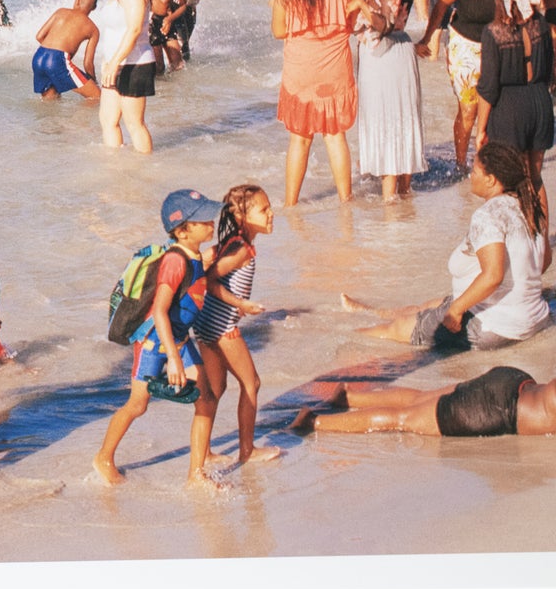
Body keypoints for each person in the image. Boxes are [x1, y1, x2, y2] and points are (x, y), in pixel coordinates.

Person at [343, 141, 549, 351]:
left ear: (491, 180)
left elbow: (493, 276)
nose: (470, 175)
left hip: (495, 326)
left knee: (394, 330)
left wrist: (456, 310)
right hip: (533, 316)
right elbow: (544, 262)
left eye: (475, 170)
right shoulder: (529, 207)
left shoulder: (488, 215)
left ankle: (342, 341)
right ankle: (372, 311)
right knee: (429, 305)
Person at [94, 189, 221, 487]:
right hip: (154, 342)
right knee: (138, 404)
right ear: (182, 230)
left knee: (206, 399)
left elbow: (196, 275)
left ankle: (197, 472)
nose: (210, 222)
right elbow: (161, 311)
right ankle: (103, 457)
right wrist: (174, 361)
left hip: (178, 338)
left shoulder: (193, 255)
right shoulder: (175, 262)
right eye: (203, 219)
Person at [190, 184, 278, 474]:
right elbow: (209, 279)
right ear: (242, 217)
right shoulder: (241, 249)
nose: (271, 213)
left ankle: (204, 454)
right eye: (263, 210)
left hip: (204, 326)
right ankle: (247, 451)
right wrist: (240, 302)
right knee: (251, 384)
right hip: (222, 327)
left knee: (215, 390)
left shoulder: (233, 241)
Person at [272, 0, 361, 206]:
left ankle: (290, 204)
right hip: (335, 68)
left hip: (301, 69)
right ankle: (346, 201)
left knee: (300, 139)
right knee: (335, 136)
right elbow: (353, 18)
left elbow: (278, 31)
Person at [472, 0, 553, 204]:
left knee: (509, 184)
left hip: (510, 107)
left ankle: (517, 244)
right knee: (535, 177)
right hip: (540, 100)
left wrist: (481, 128)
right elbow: (549, 70)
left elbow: (489, 87)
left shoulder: (495, 31)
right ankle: (542, 245)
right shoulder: (541, 25)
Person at [348, 0, 426, 200]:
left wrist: (361, 4)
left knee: (387, 120)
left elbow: (385, 24)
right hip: (400, 50)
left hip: (384, 56)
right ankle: (404, 193)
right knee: (401, 120)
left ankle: (389, 201)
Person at [293, 367, 556, 438]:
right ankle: (313, 422)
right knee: (403, 419)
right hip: (494, 408)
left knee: (421, 398)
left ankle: (349, 397)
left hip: (514, 380)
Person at [97, 0, 155, 154]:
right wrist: (108, 61)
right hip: (115, 63)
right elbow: (114, 31)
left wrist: (115, 63)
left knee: (134, 124)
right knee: (108, 120)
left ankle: (146, 170)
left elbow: (134, 30)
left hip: (135, 63)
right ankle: (117, 171)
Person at [33, 0, 102, 101]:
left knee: (51, 100)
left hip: (39, 57)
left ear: (77, 0)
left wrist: (53, 49)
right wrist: (93, 82)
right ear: (94, 7)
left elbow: (39, 36)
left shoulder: (61, 12)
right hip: (57, 60)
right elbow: (88, 63)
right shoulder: (93, 29)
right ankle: (75, 120)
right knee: (96, 97)